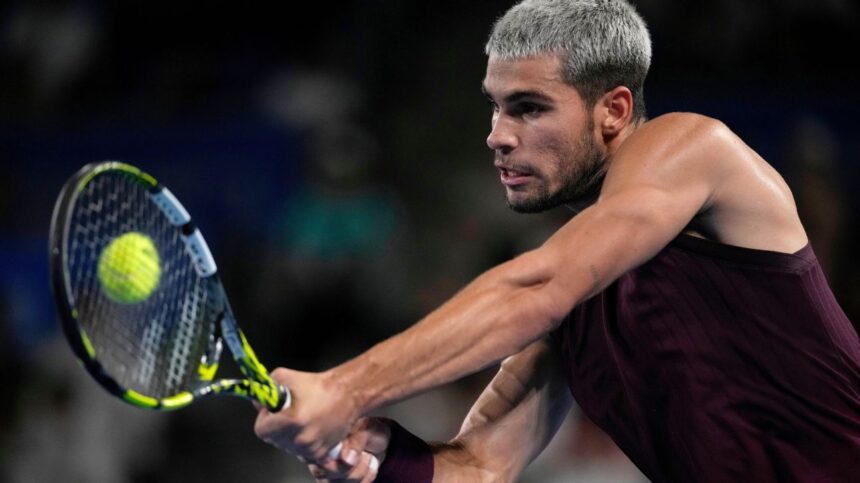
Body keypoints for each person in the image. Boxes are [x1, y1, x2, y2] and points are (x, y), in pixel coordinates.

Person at [253, 0, 860, 481]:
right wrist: (376, 456)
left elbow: (538, 286)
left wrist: (344, 387)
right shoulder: (576, 300)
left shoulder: (691, 146)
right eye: (495, 108)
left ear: (615, 111)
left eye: (528, 108)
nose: (497, 136)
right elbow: (480, 468)